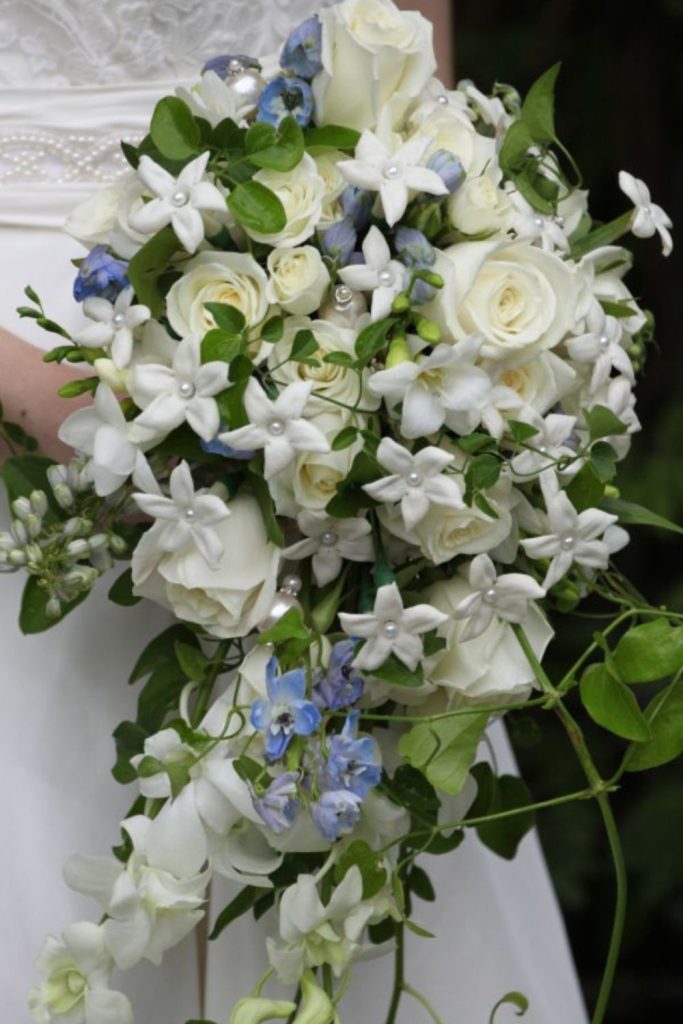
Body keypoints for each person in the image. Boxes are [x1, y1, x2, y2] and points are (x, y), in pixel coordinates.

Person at [0, 2, 589, 1021]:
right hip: (38, 394)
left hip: (340, 358)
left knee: (336, 892)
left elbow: (407, 63)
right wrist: (60, 408)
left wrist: (435, 329)